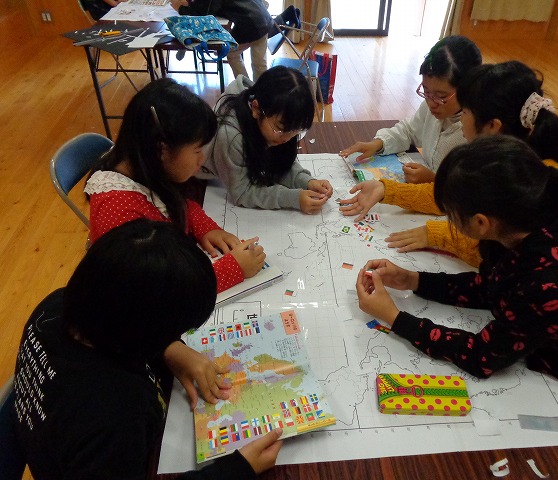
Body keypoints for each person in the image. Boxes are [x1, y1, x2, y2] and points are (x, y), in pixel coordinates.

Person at [355, 135, 558, 442]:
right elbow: (492, 288)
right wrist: (413, 280)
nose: (449, 222)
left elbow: (481, 356)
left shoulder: (549, 280)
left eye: (451, 215)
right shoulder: (523, 227)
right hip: (548, 361)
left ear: (480, 223)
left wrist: (394, 317)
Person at [13, 219, 283, 479]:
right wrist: (235, 471)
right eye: (177, 331)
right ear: (143, 333)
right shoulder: (115, 417)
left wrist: (170, 350)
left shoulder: (60, 305)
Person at [341, 61, 558, 267]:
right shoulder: (504, 158)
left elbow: (493, 253)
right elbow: (456, 195)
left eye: (466, 112)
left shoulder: (532, 183)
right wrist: (387, 189)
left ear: (492, 126)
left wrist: (435, 234)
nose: (461, 120)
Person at [85, 78, 265, 293]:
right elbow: (159, 292)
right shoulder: (119, 214)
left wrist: (206, 228)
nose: (202, 160)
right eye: (197, 151)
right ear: (162, 150)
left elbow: (178, 202)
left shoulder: (143, 166)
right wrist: (233, 269)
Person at [339, 35, 482, 184]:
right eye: (426, 91)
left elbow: (472, 190)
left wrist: (434, 180)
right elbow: (409, 130)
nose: (431, 103)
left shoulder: (475, 131)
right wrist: (377, 144)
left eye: (441, 96)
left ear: (468, 88)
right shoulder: (433, 106)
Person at [198, 65, 334, 213]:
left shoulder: (275, 119)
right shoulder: (231, 136)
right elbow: (242, 192)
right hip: (195, 180)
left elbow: (279, 163)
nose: (286, 138)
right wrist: (293, 198)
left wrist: (306, 181)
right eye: (280, 128)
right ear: (256, 109)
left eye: (295, 131)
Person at [171, 0, 273, 81]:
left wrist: (181, 8)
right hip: (264, 18)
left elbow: (205, 14)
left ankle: (245, 88)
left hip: (251, 25)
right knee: (260, 63)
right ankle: (262, 94)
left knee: (232, 53)